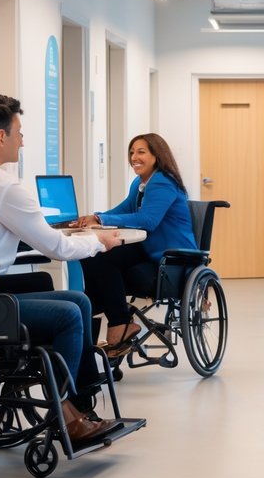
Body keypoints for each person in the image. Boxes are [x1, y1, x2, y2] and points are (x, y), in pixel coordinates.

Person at [0, 93, 124, 444]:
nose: (22, 139)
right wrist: (99, 242)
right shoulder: (3, 187)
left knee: (78, 301)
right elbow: (57, 247)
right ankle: (64, 411)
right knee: (69, 314)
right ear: (1, 136)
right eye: (18, 131)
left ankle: (77, 406)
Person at [74, 133, 197, 354]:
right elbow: (124, 210)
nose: (134, 157)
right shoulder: (140, 183)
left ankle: (118, 322)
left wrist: (102, 220)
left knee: (102, 257)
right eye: (132, 152)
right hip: (149, 247)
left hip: (170, 254)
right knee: (93, 251)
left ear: (156, 155)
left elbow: (148, 220)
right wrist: (95, 218)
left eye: (141, 152)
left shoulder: (163, 181)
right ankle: (95, 305)